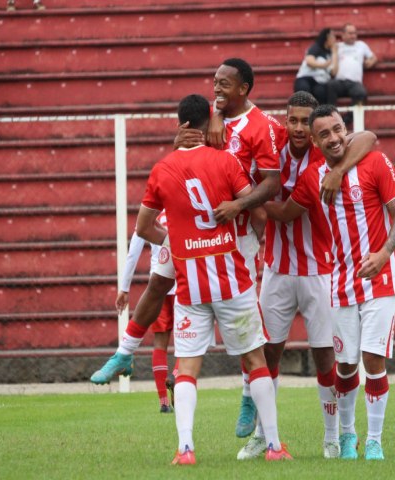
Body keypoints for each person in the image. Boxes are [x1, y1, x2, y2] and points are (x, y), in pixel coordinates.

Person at [89, 59, 284, 438]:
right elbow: (185, 159)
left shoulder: (261, 126)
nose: (217, 89)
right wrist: (181, 141)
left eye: (224, 84)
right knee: (159, 281)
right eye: (215, 82)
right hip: (192, 228)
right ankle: (125, 352)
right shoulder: (211, 115)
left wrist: (241, 208)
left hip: (234, 234)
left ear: (244, 88)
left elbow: (272, 181)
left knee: (244, 323)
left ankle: (248, 393)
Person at [136, 93, 291, 464]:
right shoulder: (226, 161)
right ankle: (273, 446)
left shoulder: (162, 169)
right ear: (210, 125)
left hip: (190, 284)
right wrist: (254, 239)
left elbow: (144, 227)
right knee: (255, 359)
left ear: (181, 126)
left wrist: (176, 245)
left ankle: (185, 449)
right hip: (231, 280)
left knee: (187, 367)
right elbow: (255, 210)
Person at [236, 91, 377, 460]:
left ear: (315, 130)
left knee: (327, 359)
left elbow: (367, 137)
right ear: (285, 121)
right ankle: (266, 438)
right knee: (267, 353)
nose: (298, 128)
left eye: (305, 122)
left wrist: (340, 169)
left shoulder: (323, 154)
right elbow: (242, 119)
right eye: (293, 120)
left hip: (320, 271)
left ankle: (333, 436)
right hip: (277, 271)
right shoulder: (273, 142)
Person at [264, 104, 395, 461]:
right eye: (324, 134)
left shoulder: (374, 162)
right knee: (344, 366)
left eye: (338, 129)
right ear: (314, 140)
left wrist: (383, 253)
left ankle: (375, 440)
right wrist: (246, 196)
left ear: (347, 130)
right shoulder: (313, 177)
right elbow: (285, 214)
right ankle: (348, 436)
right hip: (340, 281)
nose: (334, 138)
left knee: (373, 359)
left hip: (380, 279)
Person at [108, 211, 177, 414]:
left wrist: (124, 288)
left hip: (159, 285)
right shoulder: (182, 205)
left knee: (160, 343)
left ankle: (163, 401)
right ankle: (176, 376)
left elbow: (133, 253)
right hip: (183, 283)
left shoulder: (149, 216)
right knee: (187, 342)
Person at [326, 23, 377, 124]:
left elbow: (373, 57)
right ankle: (331, 117)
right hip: (339, 82)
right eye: (350, 33)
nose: (353, 36)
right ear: (343, 35)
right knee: (329, 86)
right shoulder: (337, 46)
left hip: (354, 83)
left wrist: (370, 62)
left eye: (354, 33)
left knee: (362, 94)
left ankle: (346, 120)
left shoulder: (361, 45)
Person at [293, 28, 338, 105]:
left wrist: (334, 53)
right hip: (306, 77)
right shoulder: (316, 48)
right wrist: (324, 65)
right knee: (304, 90)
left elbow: (334, 72)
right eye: (333, 36)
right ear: (327, 37)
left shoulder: (330, 54)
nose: (335, 39)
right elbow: (309, 61)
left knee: (321, 93)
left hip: (320, 82)